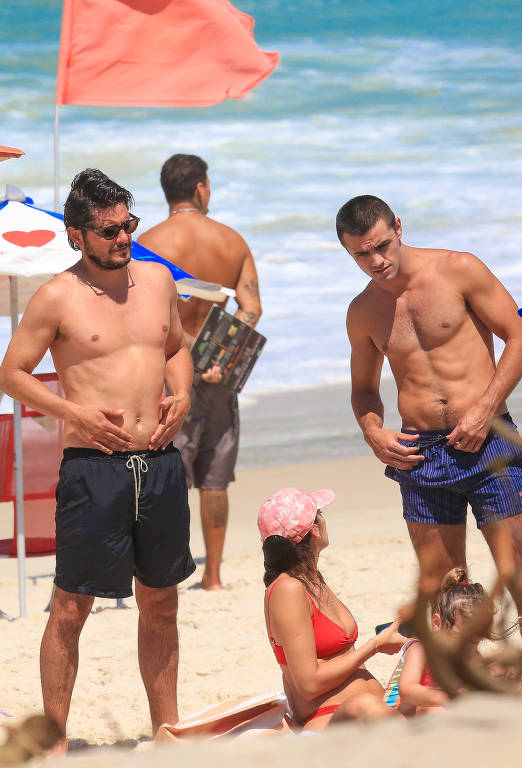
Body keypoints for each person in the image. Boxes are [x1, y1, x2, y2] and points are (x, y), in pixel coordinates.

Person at [0, 169, 196, 745]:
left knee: (160, 601)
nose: (122, 237)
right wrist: (74, 413)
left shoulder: (157, 280)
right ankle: (54, 736)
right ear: (76, 236)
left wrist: (181, 394)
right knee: (70, 607)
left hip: (158, 463)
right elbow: (11, 373)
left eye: (127, 225)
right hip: (93, 469)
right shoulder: (56, 296)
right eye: (108, 230)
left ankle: (167, 726)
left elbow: (176, 347)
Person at [337, 195, 522, 665]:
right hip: (421, 454)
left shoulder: (459, 269)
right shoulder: (362, 311)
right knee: (445, 593)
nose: (376, 261)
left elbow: (520, 338)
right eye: (361, 254)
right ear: (348, 252)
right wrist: (372, 429)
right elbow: (363, 390)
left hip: (489, 441)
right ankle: (471, 698)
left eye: (382, 246)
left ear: (398, 226)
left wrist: (483, 409)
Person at [139, 154, 262, 591]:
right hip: (220, 375)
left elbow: (144, 313)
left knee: (168, 477)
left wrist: (190, 352)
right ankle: (212, 577)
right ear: (201, 189)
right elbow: (251, 310)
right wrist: (217, 357)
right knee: (214, 479)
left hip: (168, 377)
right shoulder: (231, 241)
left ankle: (165, 576)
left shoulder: (146, 243)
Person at [258, 486, 405, 732]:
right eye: (321, 514)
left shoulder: (311, 578)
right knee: (369, 706)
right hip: (331, 718)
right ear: (314, 530)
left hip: (370, 709)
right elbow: (309, 684)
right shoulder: (288, 589)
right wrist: (375, 646)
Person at [397, 567, 522, 716]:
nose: (467, 648)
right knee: (437, 711)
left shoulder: (473, 656)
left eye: (474, 641)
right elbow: (407, 689)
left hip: (442, 716)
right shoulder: (422, 650)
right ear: (437, 623)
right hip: (404, 717)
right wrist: (452, 697)